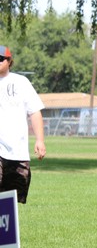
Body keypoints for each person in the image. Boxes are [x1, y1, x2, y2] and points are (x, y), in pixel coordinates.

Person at [0, 45, 46, 204]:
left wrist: (40, 140)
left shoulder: (21, 82)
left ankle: (6, 229)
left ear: (9, 61)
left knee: (11, 201)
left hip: (17, 151)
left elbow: (34, 111)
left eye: (0, 59)